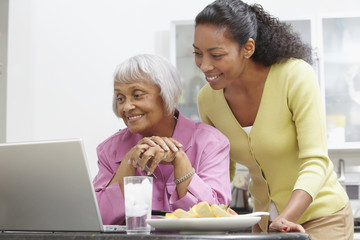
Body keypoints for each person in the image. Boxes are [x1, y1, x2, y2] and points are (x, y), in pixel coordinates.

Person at [193, 0, 353, 239]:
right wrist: (212, 211)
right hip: (264, 222)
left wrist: (286, 218)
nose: (204, 65)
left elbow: (315, 161)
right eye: (197, 53)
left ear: (247, 48)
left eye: (216, 55)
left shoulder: (294, 76)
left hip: (321, 217)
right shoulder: (208, 99)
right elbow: (220, 168)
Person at [92, 53, 231, 225]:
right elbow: (96, 220)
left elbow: (217, 217)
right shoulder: (109, 150)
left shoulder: (211, 143)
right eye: (120, 98)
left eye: (137, 95)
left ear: (167, 94)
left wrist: (180, 161)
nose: (126, 107)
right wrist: (128, 162)